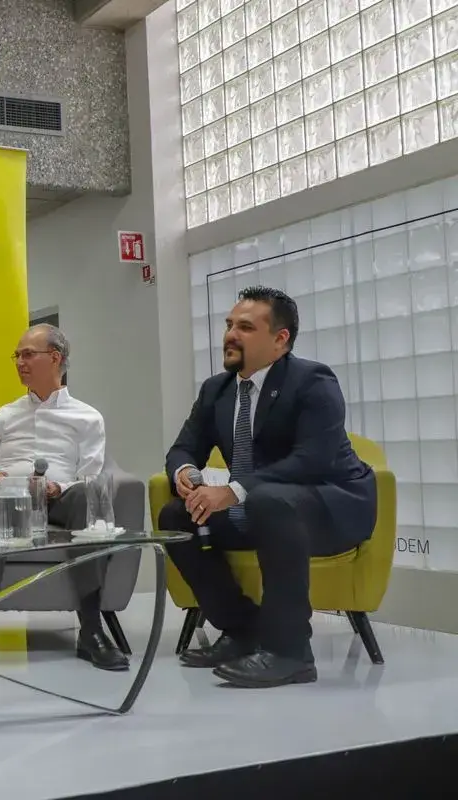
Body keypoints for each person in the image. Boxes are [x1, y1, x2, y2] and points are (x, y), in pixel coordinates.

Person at [160, 287, 376, 688]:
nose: (230, 335)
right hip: (262, 507)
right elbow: (183, 448)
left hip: (329, 506)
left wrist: (234, 490)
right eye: (229, 325)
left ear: (280, 339)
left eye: (245, 327)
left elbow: (313, 459)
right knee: (177, 517)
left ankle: (290, 652)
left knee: (270, 502)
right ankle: (243, 630)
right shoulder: (216, 390)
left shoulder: (312, 380)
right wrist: (186, 473)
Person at [0, 324, 129, 672]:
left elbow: (90, 475)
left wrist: (58, 488)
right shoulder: (1, 417)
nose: (19, 362)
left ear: (55, 358)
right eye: (17, 356)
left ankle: (91, 631)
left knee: (86, 496)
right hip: (8, 501)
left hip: (59, 498)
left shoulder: (87, 418)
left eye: (27, 354)